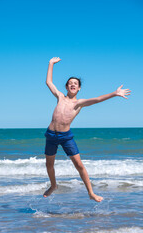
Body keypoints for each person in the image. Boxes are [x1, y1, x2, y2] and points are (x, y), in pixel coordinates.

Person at [43, 57, 131, 202]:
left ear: (79, 88)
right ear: (66, 87)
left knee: (79, 165)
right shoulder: (59, 97)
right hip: (51, 135)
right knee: (49, 164)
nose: (72, 85)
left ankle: (91, 193)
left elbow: (97, 99)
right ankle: (53, 185)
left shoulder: (79, 103)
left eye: (75, 84)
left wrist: (114, 94)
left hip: (66, 137)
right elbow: (48, 82)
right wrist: (51, 63)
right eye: (70, 83)